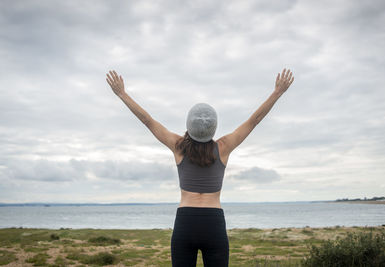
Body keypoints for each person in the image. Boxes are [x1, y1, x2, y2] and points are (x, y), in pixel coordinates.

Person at [106, 68, 294, 267]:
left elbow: (148, 121)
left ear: (189, 125)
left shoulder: (178, 146)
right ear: (213, 128)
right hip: (213, 222)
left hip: (185, 221)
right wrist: (277, 92)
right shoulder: (223, 147)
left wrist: (122, 94)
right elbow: (254, 121)